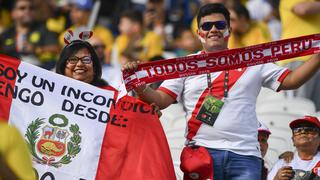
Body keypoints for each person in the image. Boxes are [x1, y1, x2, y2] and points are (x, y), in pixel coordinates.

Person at [122, 3, 320, 179]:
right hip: (201, 153)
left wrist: (318, 57)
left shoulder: (253, 59)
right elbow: (161, 99)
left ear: (229, 30)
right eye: (207, 26)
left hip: (245, 154)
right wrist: (140, 85)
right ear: (199, 32)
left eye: (220, 25)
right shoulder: (186, 65)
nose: (213, 29)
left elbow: (291, 80)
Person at [278, 0, 320, 111]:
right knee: (299, 109)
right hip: (298, 59)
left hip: (316, 60)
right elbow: (303, 9)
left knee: (315, 111)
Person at [0, 0, 60, 70]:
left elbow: (57, 48)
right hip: (11, 73)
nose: (27, 11)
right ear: (13, 13)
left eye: (31, 8)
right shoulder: (5, 34)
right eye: (22, 8)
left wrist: (36, 49)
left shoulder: (44, 30)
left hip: (38, 71)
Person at [268, 116, 320, 180]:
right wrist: (277, 178)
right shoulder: (282, 163)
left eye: (309, 129)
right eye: (297, 130)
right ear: (293, 140)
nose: (303, 132)